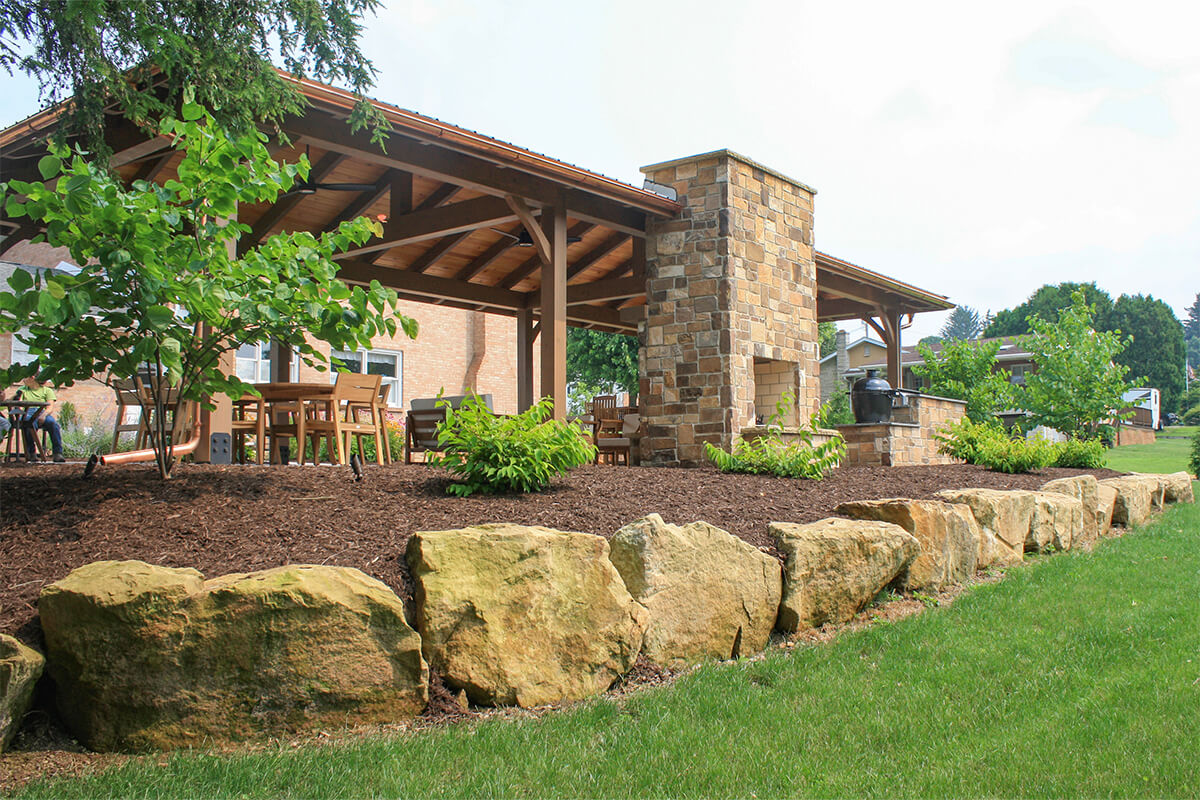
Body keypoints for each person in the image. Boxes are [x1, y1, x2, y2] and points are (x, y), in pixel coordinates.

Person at [17, 374, 65, 462]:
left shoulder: (47, 390)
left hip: (42, 412)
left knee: (53, 424)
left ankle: (58, 453)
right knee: (29, 423)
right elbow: (19, 405)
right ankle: (32, 453)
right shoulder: (22, 390)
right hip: (27, 412)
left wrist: (43, 416)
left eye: (25, 377)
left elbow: (50, 407)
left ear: (33, 377)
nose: (23, 380)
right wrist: (22, 413)